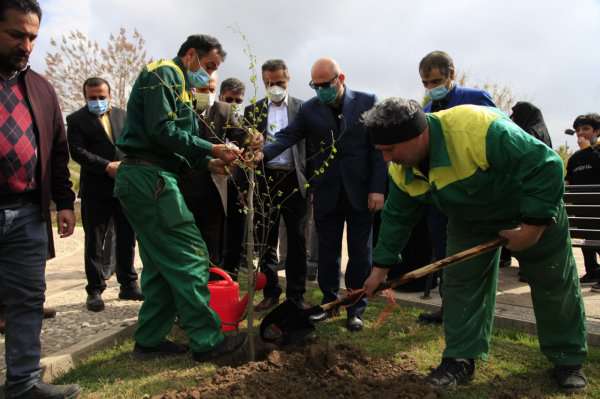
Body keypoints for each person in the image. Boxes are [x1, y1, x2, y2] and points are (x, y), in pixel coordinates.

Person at [363, 98, 587, 391]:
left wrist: (531, 230)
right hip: (471, 218)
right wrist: (380, 268)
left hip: (531, 207)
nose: (386, 159)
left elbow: (547, 165)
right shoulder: (402, 169)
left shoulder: (477, 129)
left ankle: (567, 360)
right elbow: (397, 217)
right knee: (460, 286)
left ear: (418, 135)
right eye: (381, 151)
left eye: (390, 150)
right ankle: (459, 360)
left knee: (553, 281)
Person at [114, 34, 247, 362]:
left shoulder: (180, 86)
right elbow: (163, 130)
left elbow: (170, 143)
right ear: (191, 55)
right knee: (190, 256)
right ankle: (208, 341)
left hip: (148, 177)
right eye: (209, 66)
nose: (210, 75)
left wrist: (208, 161)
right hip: (150, 180)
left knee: (161, 265)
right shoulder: (166, 73)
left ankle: (149, 340)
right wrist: (212, 148)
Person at [262, 58, 387, 332]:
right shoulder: (310, 109)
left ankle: (356, 308)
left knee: (359, 252)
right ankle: (330, 304)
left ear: (340, 79)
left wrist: (378, 188)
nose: (320, 91)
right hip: (327, 191)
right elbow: (288, 136)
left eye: (325, 85)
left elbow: (379, 149)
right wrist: (262, 153)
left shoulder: (367, 102)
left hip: (362, 192)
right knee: (327, 253)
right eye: (315, 86)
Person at [0, 0, 81, 397]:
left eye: (32, 37)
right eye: (16, 34)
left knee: (27, 300)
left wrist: (64, 201)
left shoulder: (41, 89)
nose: (27, 45)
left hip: (27, 214)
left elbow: (57, 149)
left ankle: (24, 384)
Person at [416, 50, 496, 324]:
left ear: (452, 74)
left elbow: (496, 138)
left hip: (473, 194)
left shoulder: (475, 99)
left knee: (471, 256)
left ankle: (472, 313)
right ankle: (448, 307)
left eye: (437, 81)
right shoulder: (426, 111)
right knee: (443, 253)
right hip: (440, 196)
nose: (431, 88)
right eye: (426, 84)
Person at [67, 77, 142, 312]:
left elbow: (134, 144)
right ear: (85, 97)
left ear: (109, 95)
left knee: (126, 237)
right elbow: (78, 152)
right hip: (96, 188)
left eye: (102, 96)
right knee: (95, 241)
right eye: (93, 97)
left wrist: (126, 166)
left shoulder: (123, 116)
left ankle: (128, 284)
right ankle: (95, 289)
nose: (98, 101)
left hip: (124, 186)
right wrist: (106, 166)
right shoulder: (76, 120)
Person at [245, 59, 308, 312]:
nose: (275, 88)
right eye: (269, 83)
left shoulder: (303, 109)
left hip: (294, 179)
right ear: (263, 82)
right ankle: (271, 292)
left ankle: (296, 295)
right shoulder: (253, 112)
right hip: (265, 180)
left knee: (297, 239)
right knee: (266, 241)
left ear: (288, 78)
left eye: (279, 82)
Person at [501, 101, 553, 276]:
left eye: (515, 114)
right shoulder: (541, 130)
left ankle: (526, 265)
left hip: (528, 190)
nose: (512, 118)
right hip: (542, 192)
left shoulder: (528, 133)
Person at [565, 113, 600, 289]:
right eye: (578, 130)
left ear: (597, 131)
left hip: (598, 207)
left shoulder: (596, 153)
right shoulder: (574, 158)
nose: (581, 133)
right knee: (586, 241)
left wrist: (587, 151)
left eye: (586, 129)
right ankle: (592, 271)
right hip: (582, 209)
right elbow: (569, 180)